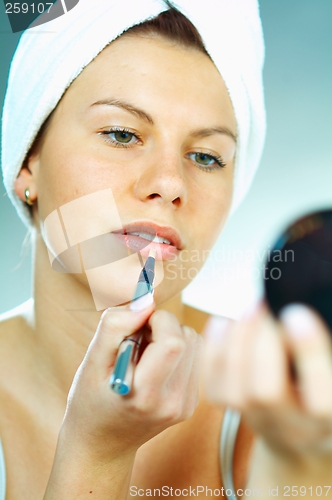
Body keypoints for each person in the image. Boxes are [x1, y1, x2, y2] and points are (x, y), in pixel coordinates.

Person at [2, 1, 330, 499]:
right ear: (28, 164)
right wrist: (96, 453)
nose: (170, 183)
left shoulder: (288, 415)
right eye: (121, 134)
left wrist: (303, 471)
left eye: (205, 156)